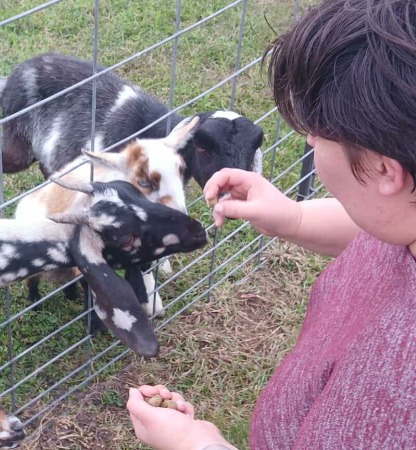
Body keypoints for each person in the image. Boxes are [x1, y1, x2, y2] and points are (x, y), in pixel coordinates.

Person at [124, 0, 416, 448]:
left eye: (317, 132)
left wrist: (197, 445)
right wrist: (295, 218)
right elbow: (381, 229)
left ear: (384, 170)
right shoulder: (401, 221)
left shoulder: (396, 402)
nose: (309, 139)